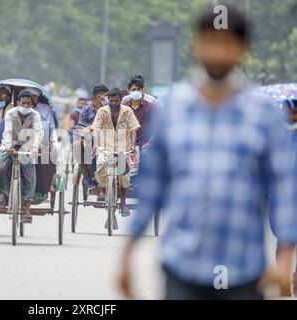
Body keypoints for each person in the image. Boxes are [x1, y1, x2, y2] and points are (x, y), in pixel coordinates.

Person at [118, 7, 297, 300]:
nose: (217, 53)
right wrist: (126, 255)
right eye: (210, 42)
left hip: (245, 269)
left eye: (227, 44)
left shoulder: (264, 116)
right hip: (181, 265)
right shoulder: (174, 108)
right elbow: (152, 188)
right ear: (196, 45)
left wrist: (286, 260)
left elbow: (283, 190)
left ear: (243, 49)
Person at [0, 90, 43, 223]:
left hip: (28, 146)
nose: (26, 105)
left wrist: (35, 147)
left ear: (31, 105)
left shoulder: (35, 115)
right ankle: (3, 194)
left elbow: (38, 133)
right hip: (12, 144)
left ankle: (26, 209)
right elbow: (8, 131)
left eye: (28, 103)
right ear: (18, 103)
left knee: (29, 174)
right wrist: (8, 147)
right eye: (23, 103)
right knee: (3, 165)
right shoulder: (11, 113)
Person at [92, 88, 140, 222]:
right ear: (108, 100)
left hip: (122, 148)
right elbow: (96, 129)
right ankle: (105, 189)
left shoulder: (127, 111)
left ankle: (123, 203)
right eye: (111, 100)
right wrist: (96, 145)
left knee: (124, 174)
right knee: (100, 166)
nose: (114, 103)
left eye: (116, 101)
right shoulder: (102, 111)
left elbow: (133, 130)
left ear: (120, 100)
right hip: (106, 147)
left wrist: (132, 145)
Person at [74, 84, 109, 201]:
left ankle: (103, 185)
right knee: (78, 146)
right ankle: (89, 180)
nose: (106, 100)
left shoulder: (109, 109)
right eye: (104, 97)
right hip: (88, 139)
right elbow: (81, 128)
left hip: (106, 140)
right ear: (97, 97)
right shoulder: (86, 110)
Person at [121, 75, 158, 150]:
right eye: (133, 89)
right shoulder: (123, 105)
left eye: (138, 89)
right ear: (128, 91)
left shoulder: (150, 105)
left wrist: (150, 142)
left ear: (142, 90)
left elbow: (156, 126)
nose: (136, 92)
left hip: (145, 146)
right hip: (127, 147)